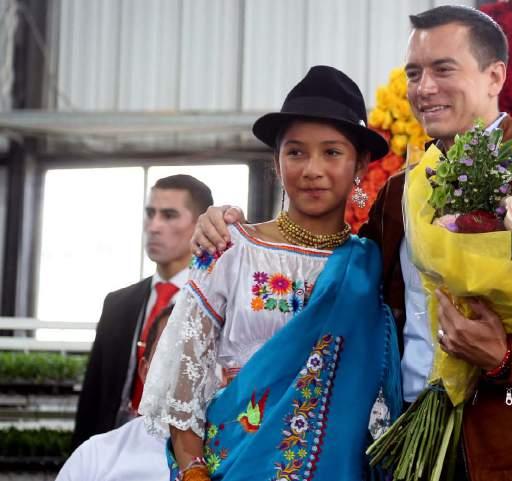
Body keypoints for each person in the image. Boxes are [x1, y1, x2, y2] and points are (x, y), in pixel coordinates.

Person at [192, 6, 512, 481]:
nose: (424, 87)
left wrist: (507, 358)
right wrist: (231, 227)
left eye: (443, 69)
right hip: (410, 448)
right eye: (414, 73)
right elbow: (337, 274)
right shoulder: (400, 191)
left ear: (494, 76)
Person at [140, 65, 401, 481]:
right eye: (296, 152)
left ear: (360, 164)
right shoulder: (229, 249)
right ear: (276, 163)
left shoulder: (372, 265)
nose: (311, 169)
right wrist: (192, 471)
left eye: (332, 152)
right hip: (234, 466)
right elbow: (182, 385)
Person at [73, 175, 213, 448]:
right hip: (114, 450)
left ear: (200, 224)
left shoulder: (215, 302)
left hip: (190, 452)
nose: (154, 226)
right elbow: (93, 397)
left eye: (169, 215)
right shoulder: (118, 303)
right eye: (150, 213)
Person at [58, 305, 174, 481]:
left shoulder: (221, 456)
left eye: (199, 350)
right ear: (145, 371)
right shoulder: (94, 458)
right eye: (170, 350)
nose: (183, 364)